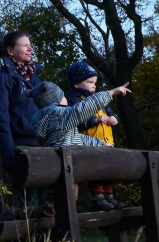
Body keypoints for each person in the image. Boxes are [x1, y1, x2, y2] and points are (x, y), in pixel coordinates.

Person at [20, 80, 131, 218]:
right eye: (63, 96)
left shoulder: (52, 120)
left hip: (60, 170)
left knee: (58, 209)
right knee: (52, 210)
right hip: (62, 171)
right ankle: (13, 216)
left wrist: (100, 144)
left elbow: (75, 139)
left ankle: (56, 236)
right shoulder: (60, 115)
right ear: (59, 100)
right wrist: (112, 92)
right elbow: (85, 108)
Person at [0, 31, 43, 219]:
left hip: (45, 147)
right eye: (24, 44)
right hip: (21, 148)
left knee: (47, 204)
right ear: (10, 51)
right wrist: (10, 156)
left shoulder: (35, 78)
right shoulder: (1, 78)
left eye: (30, 44)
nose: (30, 48)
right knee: (28, 205)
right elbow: (0, 119)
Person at [65, 62, 123, 211]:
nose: (94, 86)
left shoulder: (97, 99)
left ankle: (109, 195)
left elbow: (109, 111)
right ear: (76, 84)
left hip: (106, 141)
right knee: (96, 169)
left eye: (95, 83)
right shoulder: (75, 100)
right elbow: (75, 120)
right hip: (89, 141)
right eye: (90, 82)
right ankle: (98, 197)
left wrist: (113, 118)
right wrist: (95, 120)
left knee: (108, 169)